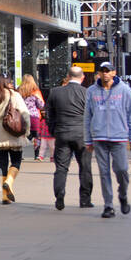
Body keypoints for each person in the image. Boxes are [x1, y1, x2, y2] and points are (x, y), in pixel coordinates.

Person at [84, 61, 131, 218]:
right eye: (102, 71)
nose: (105, 73)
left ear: (114, 73)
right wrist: (88, 139)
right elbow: (87, 116)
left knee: (121, 169)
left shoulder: (124, 90)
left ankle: (123, 194)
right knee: (104, 172)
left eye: (108, 71)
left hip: (119, 136)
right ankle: (108, 205)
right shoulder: (92, 91)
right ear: (99, 74)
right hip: (99, 137)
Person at [44, 66, 94, 209]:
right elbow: (93, 115)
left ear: (68, 75)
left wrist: (53, 129)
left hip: (62, 133)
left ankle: (59, 195)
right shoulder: (87, 93)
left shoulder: (55, 92)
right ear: (82, 77)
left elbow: (48, 113)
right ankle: (85, 199)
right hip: (82, 135)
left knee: (61, 167)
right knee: (85, 167)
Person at [0, 75, 30, 204]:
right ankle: (9, 181)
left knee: (2, 163)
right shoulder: (14, 95)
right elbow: (25, 113)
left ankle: (5, 196)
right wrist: (27, 130)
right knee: (16, 161)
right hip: (13, 132)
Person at [20, 74, 53, 161]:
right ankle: (37, 154)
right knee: (36, 135)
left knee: (24, 135)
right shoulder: (35, 92)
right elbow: (41, 105)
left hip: (22, 116)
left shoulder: (19, 91)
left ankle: (20, 152)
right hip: (34, 116)